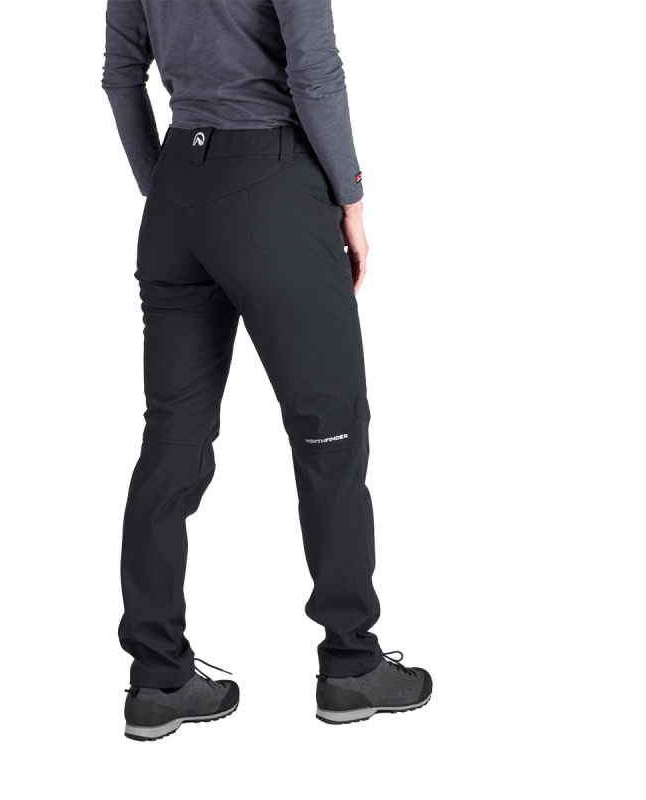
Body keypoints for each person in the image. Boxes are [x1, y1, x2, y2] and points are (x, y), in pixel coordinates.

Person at [102, 0, 432, 742]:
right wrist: (351, 199)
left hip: (175, 197)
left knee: (171, 442)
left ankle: (157, 678)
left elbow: (120, 73)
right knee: (329, 432)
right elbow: (314, 70)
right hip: (272, 186)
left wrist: (166, 188)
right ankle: (350, 664)